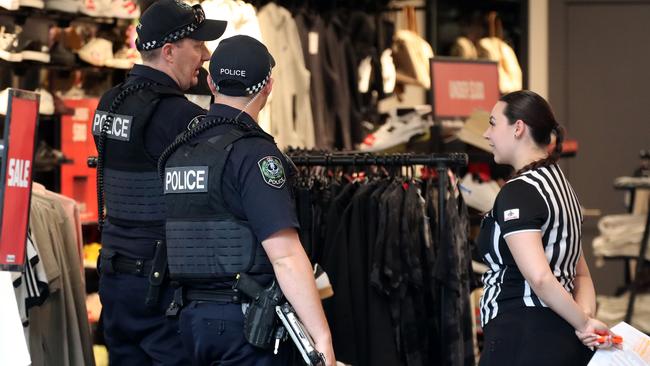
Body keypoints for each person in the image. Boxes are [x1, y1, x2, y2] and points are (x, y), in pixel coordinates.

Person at [158, 35, 336, 366]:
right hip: (245, 328)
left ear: (210, 82)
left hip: (187, 323)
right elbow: (284, 256)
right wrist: (322, 340)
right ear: (268, 85)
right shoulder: (256, 156)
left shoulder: (179, 152)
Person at [92, 1, 226, 364]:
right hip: (159, 288)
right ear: (169, 52)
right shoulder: (179, 117)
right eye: (198, 45)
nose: (207, 55)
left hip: (115, 279)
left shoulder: (109, 103)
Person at [477, 90, 618, 365]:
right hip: (562, 340)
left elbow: (540, 277)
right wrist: (583, 320)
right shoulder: (563, 188)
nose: (486, 134)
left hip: (521, 337)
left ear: (518, 128)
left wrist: (585, 324)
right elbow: (582, 277)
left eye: (493, 123)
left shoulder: (518, 191)